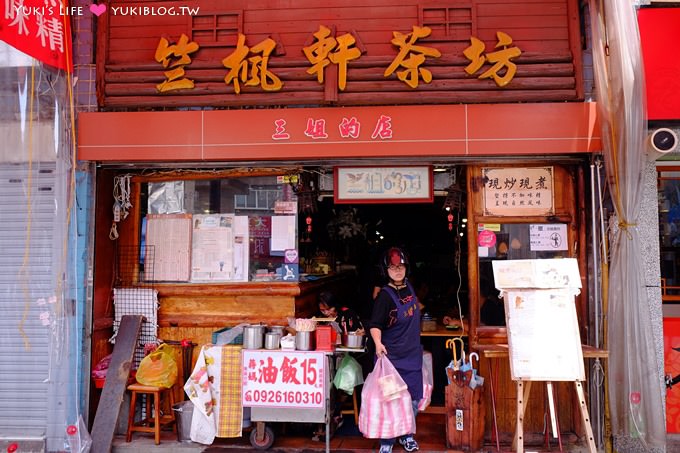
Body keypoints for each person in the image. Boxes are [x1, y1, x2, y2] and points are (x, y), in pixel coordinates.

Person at [369, 247, 422, 453]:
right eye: (393, 267)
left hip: (412, 354)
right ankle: (387, 441)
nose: (398, 271)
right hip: (391, 358)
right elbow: (375, 324)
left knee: (413, 398)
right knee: (390, 399)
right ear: (386, 270)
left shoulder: (410, 287)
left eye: (401, 267)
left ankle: (406, 435)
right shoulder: (384, 296)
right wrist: (378, 344)